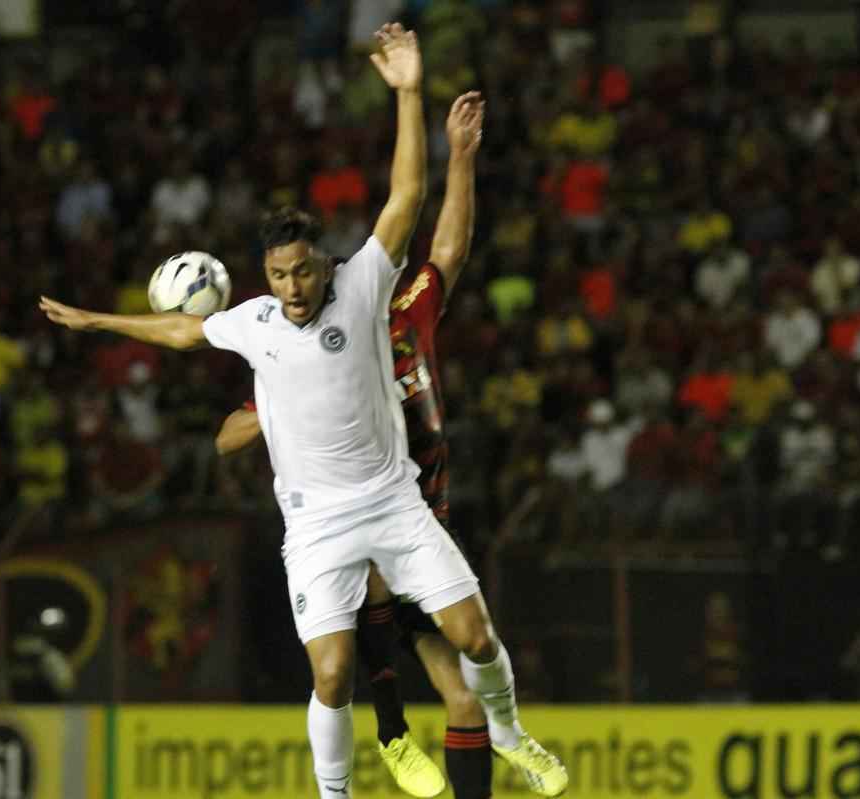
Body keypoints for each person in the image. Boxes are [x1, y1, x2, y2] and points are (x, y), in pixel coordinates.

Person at [39, 24, 566, 799]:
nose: (292, 287)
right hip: (321, 525)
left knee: (474, 646)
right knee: (334, 667)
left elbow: (417, 213)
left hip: (402, 504)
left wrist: (417, 103)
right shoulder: (257, 328)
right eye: (279, 274)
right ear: (266, 274)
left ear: (327, 267)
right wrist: (99, 321)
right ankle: (369, 758)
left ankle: (503, 733)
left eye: (304, 272)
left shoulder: (377, 295)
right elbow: (187, 337)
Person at [217, 91, 490, 799]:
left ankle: (421, 742)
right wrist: (274, 411)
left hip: (420, 515)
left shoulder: (405, 314)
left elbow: (448, 250)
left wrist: (461, 158)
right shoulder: (309, 355)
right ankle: (392, 730)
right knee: (363, 591)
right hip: (353, 520)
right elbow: (229, 433)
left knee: (465, 693)